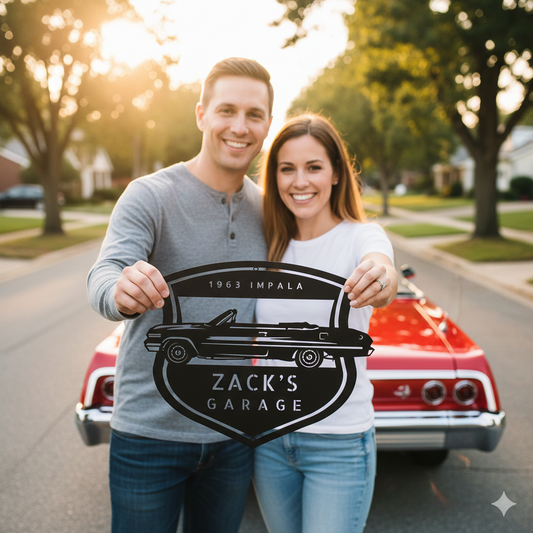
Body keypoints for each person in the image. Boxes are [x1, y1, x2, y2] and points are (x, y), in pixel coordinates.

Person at [87, 57, 273, 533]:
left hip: (233, 434)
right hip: (149, 434)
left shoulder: (270, 210)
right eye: (226, 110)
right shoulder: (149, 195)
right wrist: (120, 290)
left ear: (268, 122)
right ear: (201, 115)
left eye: (254, 114)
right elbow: (105, 274)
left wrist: (378, 262)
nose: (239, 126)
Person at [253, 113, 398, 533]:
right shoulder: (268, 244)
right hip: (271, 439)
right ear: (274, 177)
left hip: (339, 442)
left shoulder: (360, 237)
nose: (300, 181)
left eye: (314, 167)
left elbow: (382, 271)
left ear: (335, 173)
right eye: (287, 169)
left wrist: (380, 277)